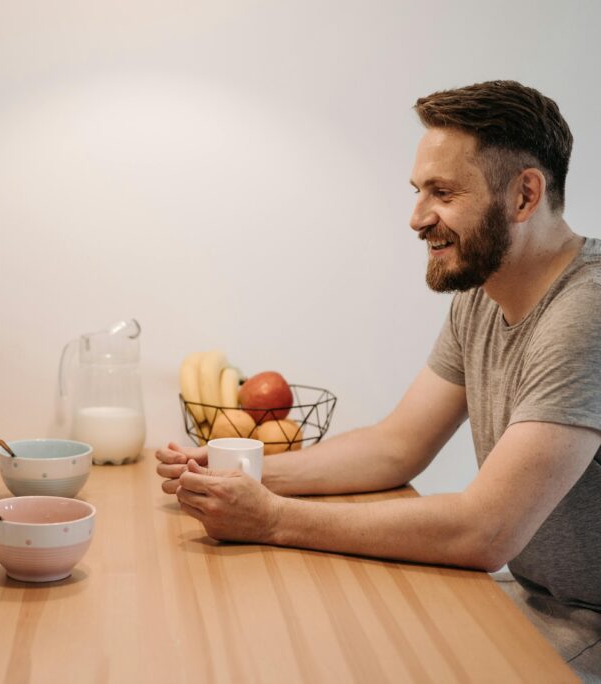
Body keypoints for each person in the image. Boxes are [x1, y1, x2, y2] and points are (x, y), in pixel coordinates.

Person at [156, 80, 601, 678]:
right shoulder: (482, 298)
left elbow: (484, 530)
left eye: (442, 192)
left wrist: (270, 518)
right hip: (536, 600)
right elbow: (396, 446)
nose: (417, 218)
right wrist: (236, 475)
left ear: (524, 195)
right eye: (418, 191)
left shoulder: (587, 313)